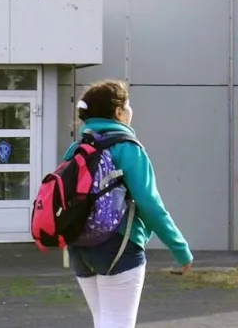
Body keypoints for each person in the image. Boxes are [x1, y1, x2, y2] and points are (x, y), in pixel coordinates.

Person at [64, 79, 193, 328]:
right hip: (120, 245)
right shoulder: (127, 148)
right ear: (119, 112)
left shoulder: (76, 148)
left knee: (103, 320)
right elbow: (150, 203)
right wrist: (180, 250)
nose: (131, 110)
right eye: (128, 105)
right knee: (119, 323)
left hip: (79, 245)